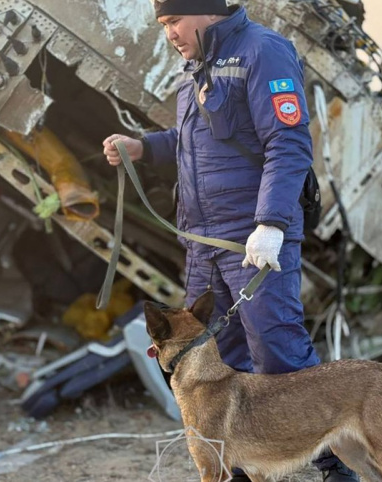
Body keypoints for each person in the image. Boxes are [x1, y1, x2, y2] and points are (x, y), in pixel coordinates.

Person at [103, 1, 358, 481]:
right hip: (204, 245)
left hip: (251, 240)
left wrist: (272, 224)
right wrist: (143, 147)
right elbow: (191, 145)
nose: (170, 34)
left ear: (207, 12)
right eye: (163, 25)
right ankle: (237, 468)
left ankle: (337, 467)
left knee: (279, 353)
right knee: (221, 361)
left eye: (174, 21)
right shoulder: (195, 67)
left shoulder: (264, 51)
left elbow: (289, 142)